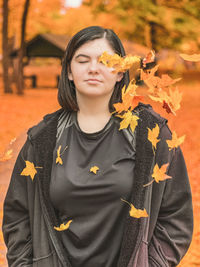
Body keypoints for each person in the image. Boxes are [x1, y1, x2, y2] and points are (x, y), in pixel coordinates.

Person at [2, 26, 193, 267]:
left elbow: (176, 216)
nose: (93, 68)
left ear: (120, 73)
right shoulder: (42, 139)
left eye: (105, 61)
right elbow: (17, 217)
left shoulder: (150, 134)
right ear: (69, 71)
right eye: (82, 60)